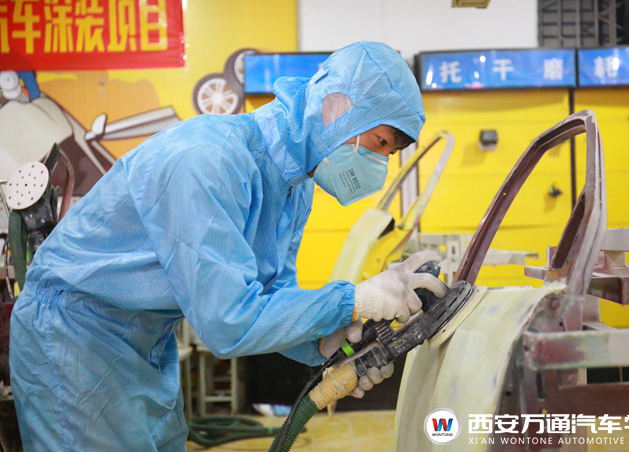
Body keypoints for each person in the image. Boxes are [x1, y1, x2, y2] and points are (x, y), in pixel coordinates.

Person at [9, 41, 447, 450]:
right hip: (74, 333)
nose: (378, 163)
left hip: (145, 339)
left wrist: (327, 342)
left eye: (389, 154)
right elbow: (229, 322)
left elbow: (271, 298)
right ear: (337, 108)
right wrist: (354, 300)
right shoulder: (209, 159)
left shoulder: (294, 187)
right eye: (379, 143)